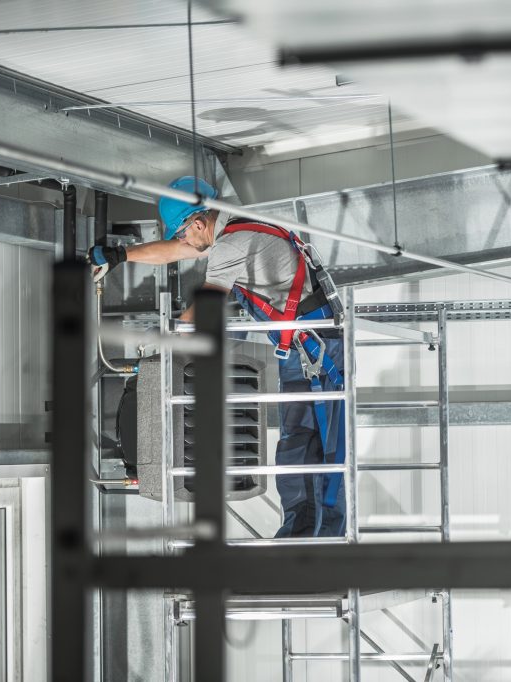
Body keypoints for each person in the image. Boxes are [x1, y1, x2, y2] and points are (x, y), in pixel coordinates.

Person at [89, 176, 347, 538]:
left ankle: (313, 543)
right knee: (308, 442)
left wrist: (165, 339)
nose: (182, 242)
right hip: (310, 346)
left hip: (316, 350)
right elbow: (172, 250)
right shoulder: (232, 229)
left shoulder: (231, 243)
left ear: (197, 224)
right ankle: (311, 537)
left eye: (181, 234)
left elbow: (207, 306)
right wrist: (121, 255)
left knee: (313, 445)